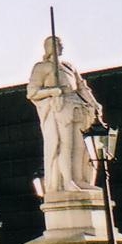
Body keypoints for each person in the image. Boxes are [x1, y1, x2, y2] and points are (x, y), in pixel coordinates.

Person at [26, 36, 103, 193]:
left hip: (78, 106)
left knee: (80, 146)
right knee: (65, 145)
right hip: (60, 107)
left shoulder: (69, 66)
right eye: (58, 45)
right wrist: (52, 91)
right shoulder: (41, 67)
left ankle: (79, 179)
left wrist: (94, 103)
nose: (61, 47)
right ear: (49, 47)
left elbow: (82, 87)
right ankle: (67, 181)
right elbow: (32, 92)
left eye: (61, 44)